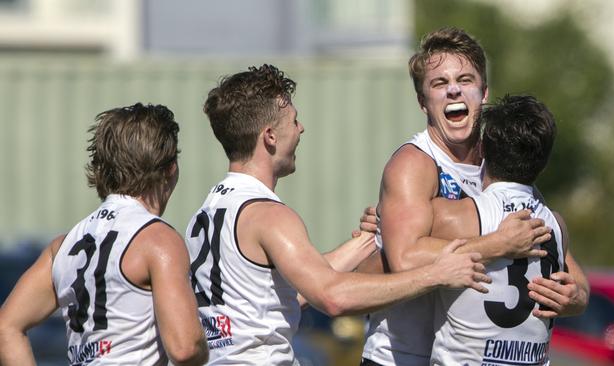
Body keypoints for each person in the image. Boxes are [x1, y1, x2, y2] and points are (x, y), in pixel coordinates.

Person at [185, 64, 492, 365]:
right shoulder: (268, 216)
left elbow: (290, 292)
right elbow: (331, 295)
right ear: (269, 137)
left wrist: (377, 236)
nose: (301, 128)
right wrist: (436, 273)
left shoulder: (206, 213)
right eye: (294, 120)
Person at [359, 27, 589, 366]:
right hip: (400, 356)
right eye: (439, 83)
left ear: (483, 93)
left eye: (465, 80)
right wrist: (495, 244)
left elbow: (564, 260)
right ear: (423, 102)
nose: (453, 89)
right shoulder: (414, 164)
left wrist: (575, 297)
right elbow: (405, 257)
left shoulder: (501, 167)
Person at [0, 103, 208, 366]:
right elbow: (185, 348)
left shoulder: (63, 247)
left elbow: (6, 327)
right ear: (170, 169)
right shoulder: (158, 240)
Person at [428, 94, 566, 364]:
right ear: (545, 163)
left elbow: (397, 258)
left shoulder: (454, 216)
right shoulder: (556, 224)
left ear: (481, 150)